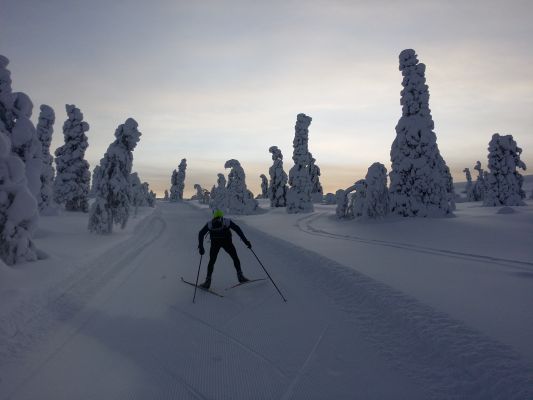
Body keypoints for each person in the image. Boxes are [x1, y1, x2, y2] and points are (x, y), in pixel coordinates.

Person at [197, 209, 252, 289]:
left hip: (215, 244)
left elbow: (201, 233)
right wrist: (246, 241)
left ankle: (207, 282)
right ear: (222, 215)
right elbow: (237, 229)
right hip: (227, 242)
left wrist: (201, 247)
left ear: (214, 216)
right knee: (235, 258)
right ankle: (241, 277)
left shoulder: (210, 224)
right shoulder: (226, 221)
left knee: (212, 261)